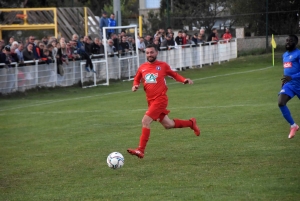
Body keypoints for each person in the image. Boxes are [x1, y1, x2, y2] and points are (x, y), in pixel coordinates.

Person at [127, 44, 200, 159]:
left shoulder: (163, 66)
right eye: (147, 53)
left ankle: (140, 150)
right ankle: (191, 123)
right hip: (151, 101)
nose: (149, 55)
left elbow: (174, 75)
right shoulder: (142, 67)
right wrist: (135, 85)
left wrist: (184, 80)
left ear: (157, 53)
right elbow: (137, 78)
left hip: (160, 99)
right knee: (168, 125)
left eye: (151, 52)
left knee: (145, 121)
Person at [278, 34, 300, 139]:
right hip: (290, 85)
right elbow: (287, 70)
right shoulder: (284, 55)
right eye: (287, 40)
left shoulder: (298, 54)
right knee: (281, 102)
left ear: (295, 43)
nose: (287, 42)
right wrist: (286, 80)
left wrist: (292, 77)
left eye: (290, 41)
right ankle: (293, 126)